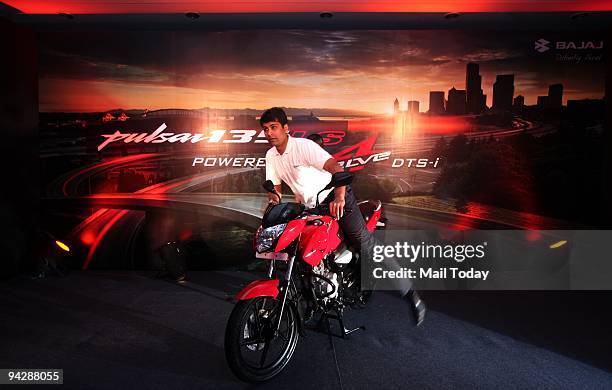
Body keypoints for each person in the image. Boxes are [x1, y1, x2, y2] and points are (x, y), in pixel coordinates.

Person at [261, 107, 426, 326]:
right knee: (302, 248)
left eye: (273, 127)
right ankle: (313, 297)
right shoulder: (271, 156)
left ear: (285, 128)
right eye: (265, 129)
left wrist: (339, 196)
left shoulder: (304, 147)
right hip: (311, 207)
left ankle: (411, 294)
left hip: (336, 198)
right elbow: (277, 188)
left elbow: (336, 168)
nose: (269, 133)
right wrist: (273, 201)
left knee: (364, 243)